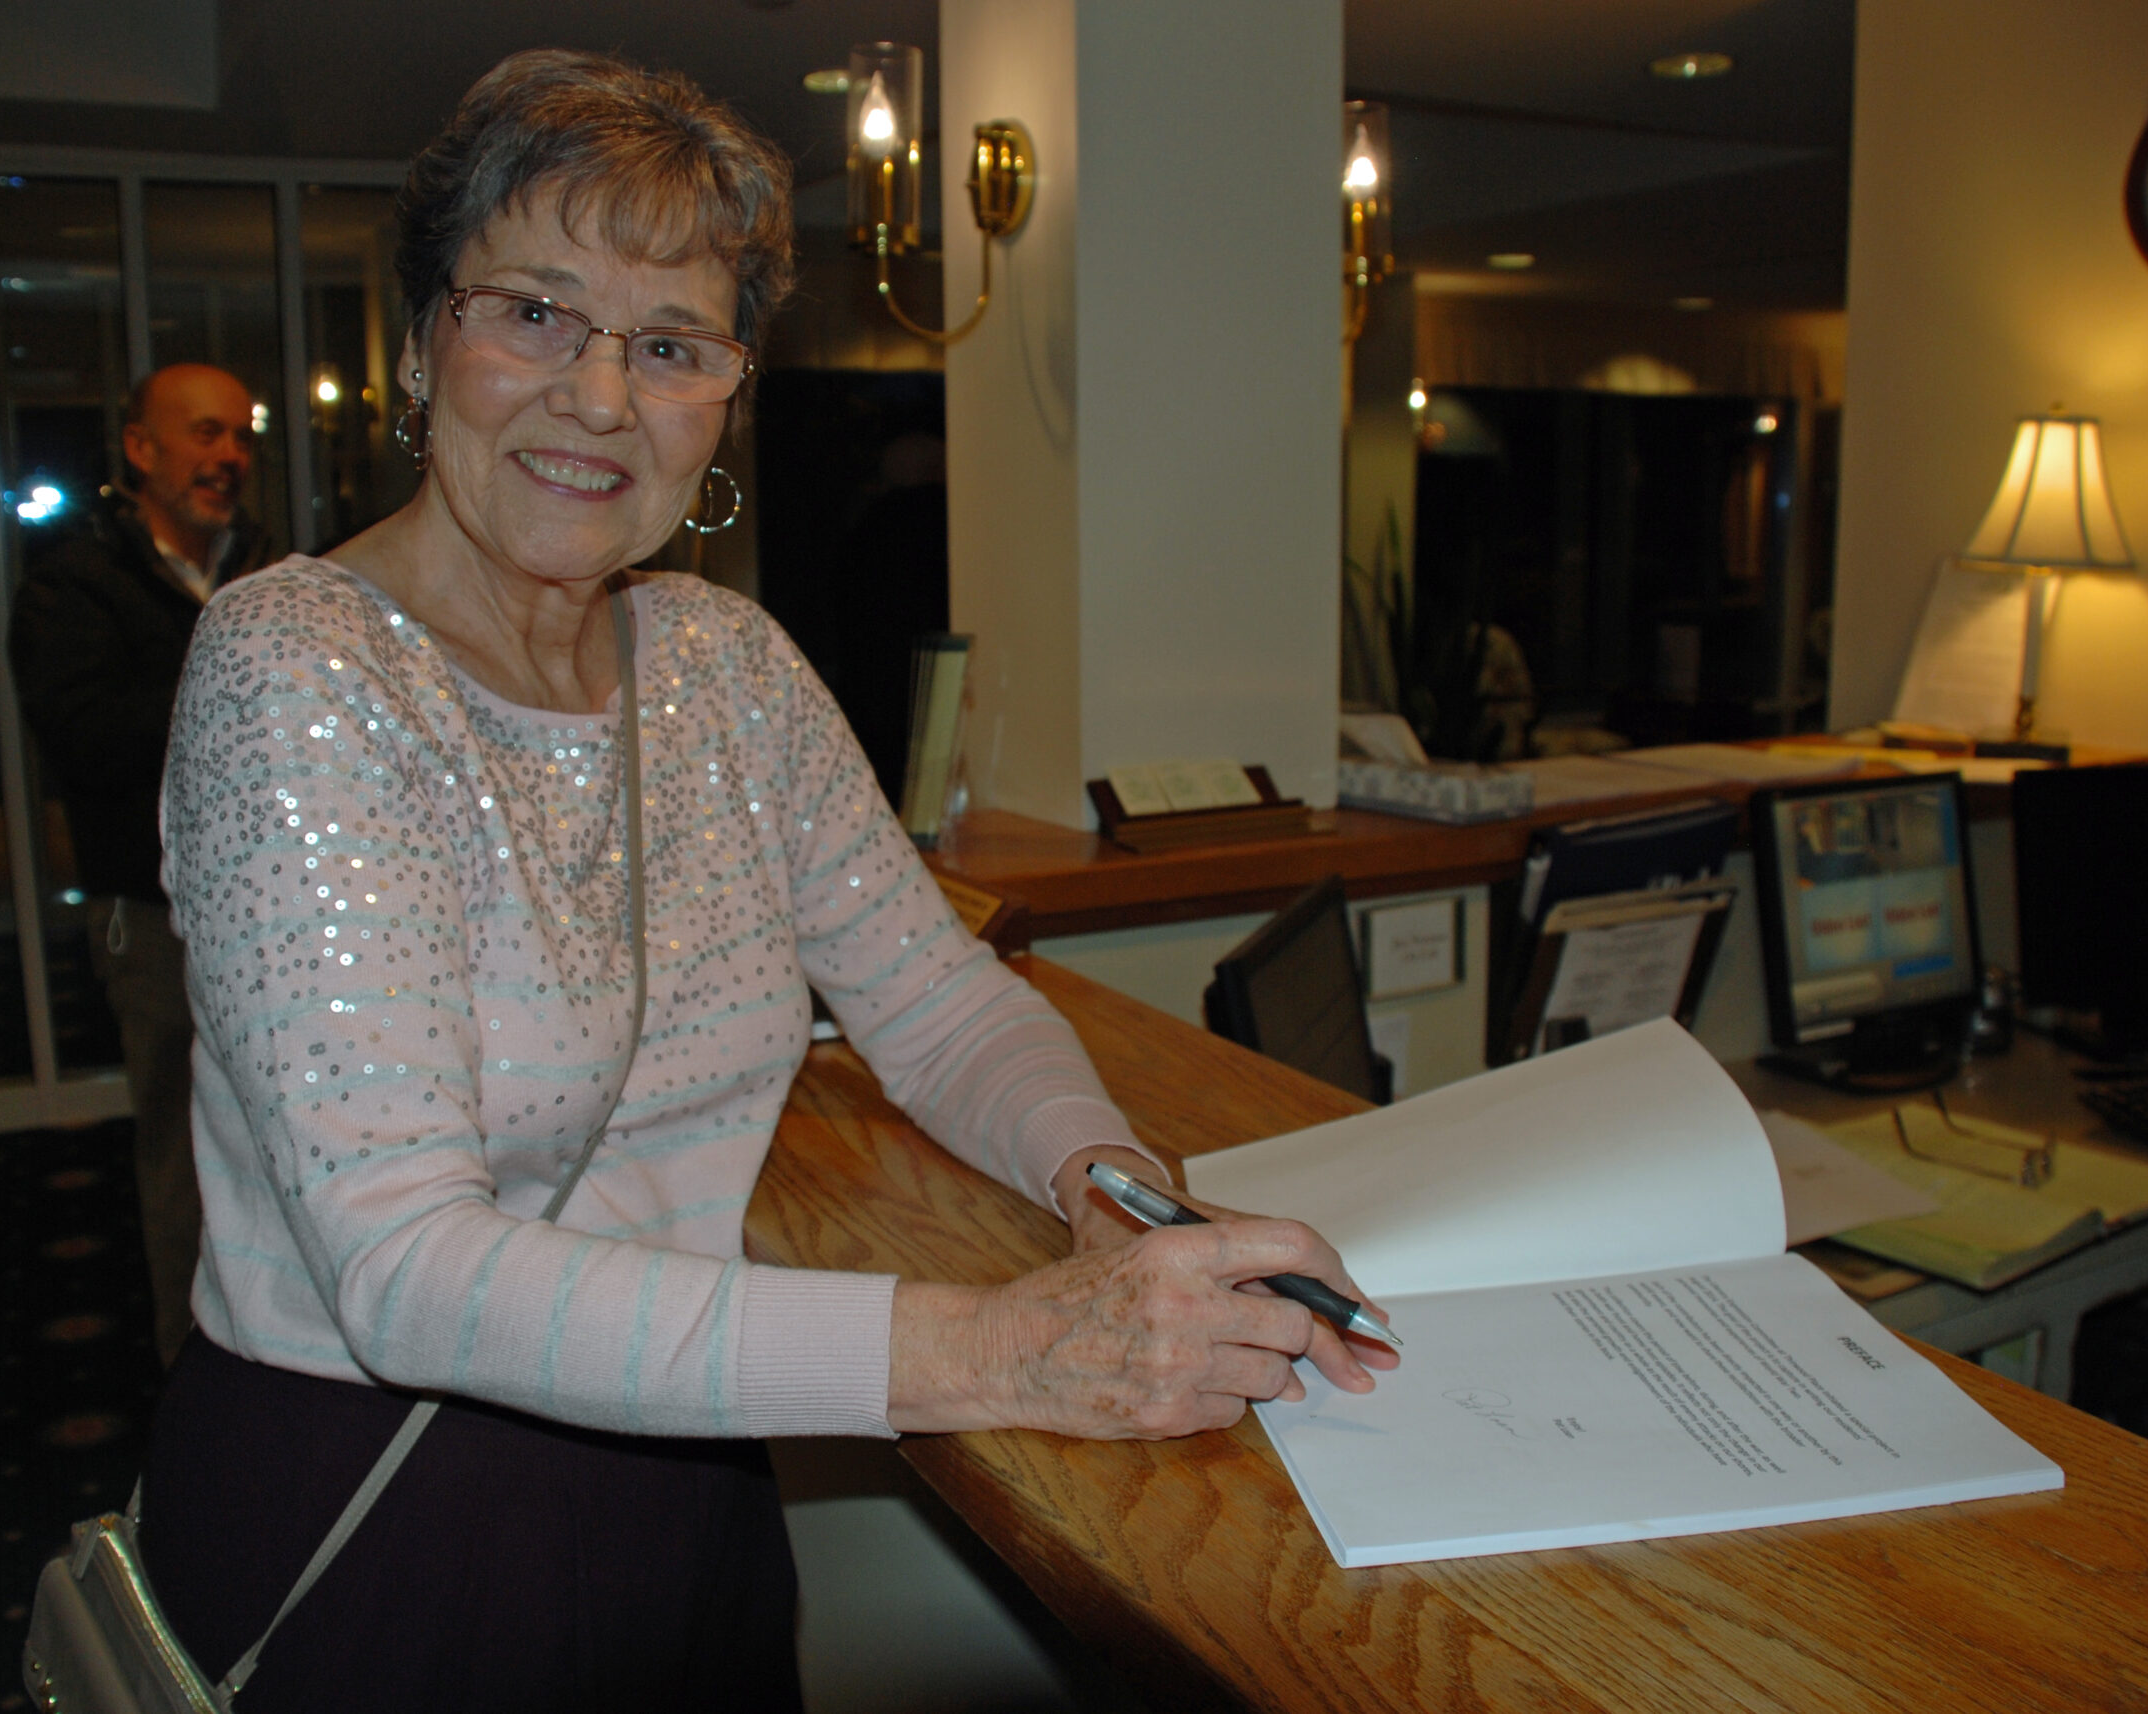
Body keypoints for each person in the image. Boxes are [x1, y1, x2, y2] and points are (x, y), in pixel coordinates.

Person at [138, 49, 1393, 1711]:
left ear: (724, 397)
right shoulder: (292, 663)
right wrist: (1011, 1347)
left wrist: (1107, 1179)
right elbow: (406, 1269)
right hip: (397, 1513)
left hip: (692, 1463)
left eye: (667, 347)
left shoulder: (726, 663)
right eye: (534, 313)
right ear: (424, 334)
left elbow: (937, 999)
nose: (598, 398)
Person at [8, 363, 271, 1367]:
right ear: (140, 449)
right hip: (155, 922)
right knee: (184, 1166)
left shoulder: (266, 567)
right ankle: (195, 1385)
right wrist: (237, 671)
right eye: (205, 434)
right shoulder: (73, 588)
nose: (228, 458)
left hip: (281, 912)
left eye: (241, 437)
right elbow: (89, 739)